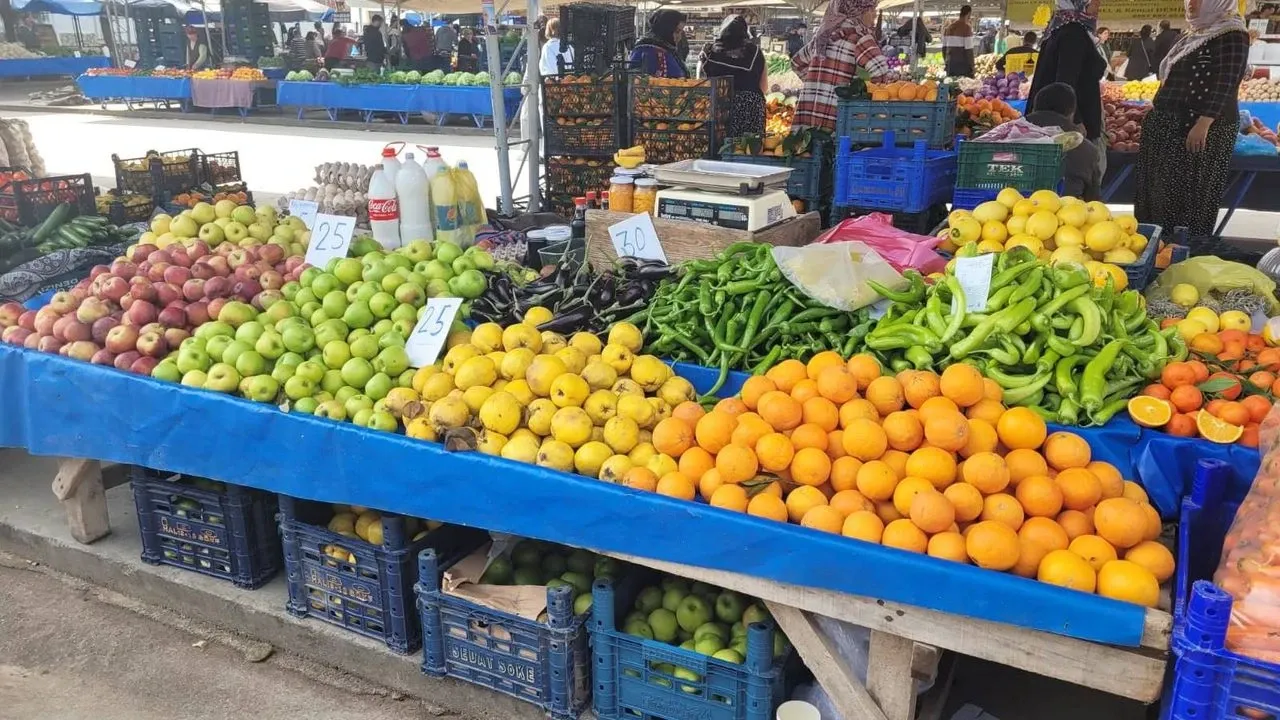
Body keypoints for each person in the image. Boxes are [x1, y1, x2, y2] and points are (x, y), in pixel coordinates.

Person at [1136, 0, 1249, 241]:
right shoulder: (1194, 34)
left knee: (1189, 196)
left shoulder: (1232, 34)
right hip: (1169, 125)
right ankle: (1156, 248)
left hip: (1199, 128)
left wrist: (1204, 123)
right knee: (1159, 193)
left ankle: (1183, 250)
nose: (1191, 4)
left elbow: (1226, 81)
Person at [1027, 0, 1107, 178]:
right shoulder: (1073, 34)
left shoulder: (1059, 29)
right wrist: (1075, 121)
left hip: (1055, 121)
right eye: (1094, 3)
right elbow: (1065, 83)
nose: (1098, 7)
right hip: (1075, 124)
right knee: (1080, 180)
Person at [792, 0, 890, 133]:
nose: (875, 14)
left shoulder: (822, 36)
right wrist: (865, 98)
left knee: (810, 146)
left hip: (809, 119)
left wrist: (818, 87)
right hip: (839, 120)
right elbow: (881, 72)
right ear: (858, 12)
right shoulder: (859, 36)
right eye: (871, 9)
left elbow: (796, 63)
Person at [1027, 83, 1102, 199]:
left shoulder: (1008, 137)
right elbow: (1093, 199)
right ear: (1071, 114)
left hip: (1011, 206)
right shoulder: (1087, 149)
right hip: (1066, 208)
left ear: (1034, 108)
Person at [699, 15, 767, 137]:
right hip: (750, 108)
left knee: (719, 145)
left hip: (718, 108)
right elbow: (764, 86)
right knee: (749, 146)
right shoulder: (755, 52)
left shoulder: (708, 51)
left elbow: (700, 84)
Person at [629, 10, 689, 78]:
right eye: (677, 32)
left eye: (681, 32)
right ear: (666, 30)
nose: (679, 37)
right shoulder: (647, 50)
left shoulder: (668, 48)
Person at [944, 5, 976, 78]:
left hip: (950, 64)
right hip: (963, 65)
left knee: (952, 83)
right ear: (969, 14)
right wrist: (972, 66)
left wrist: (946, 62)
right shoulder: (966, 28)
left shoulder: (949, 28)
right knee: (964, 84)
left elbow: (944, 48)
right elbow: (969, 50)